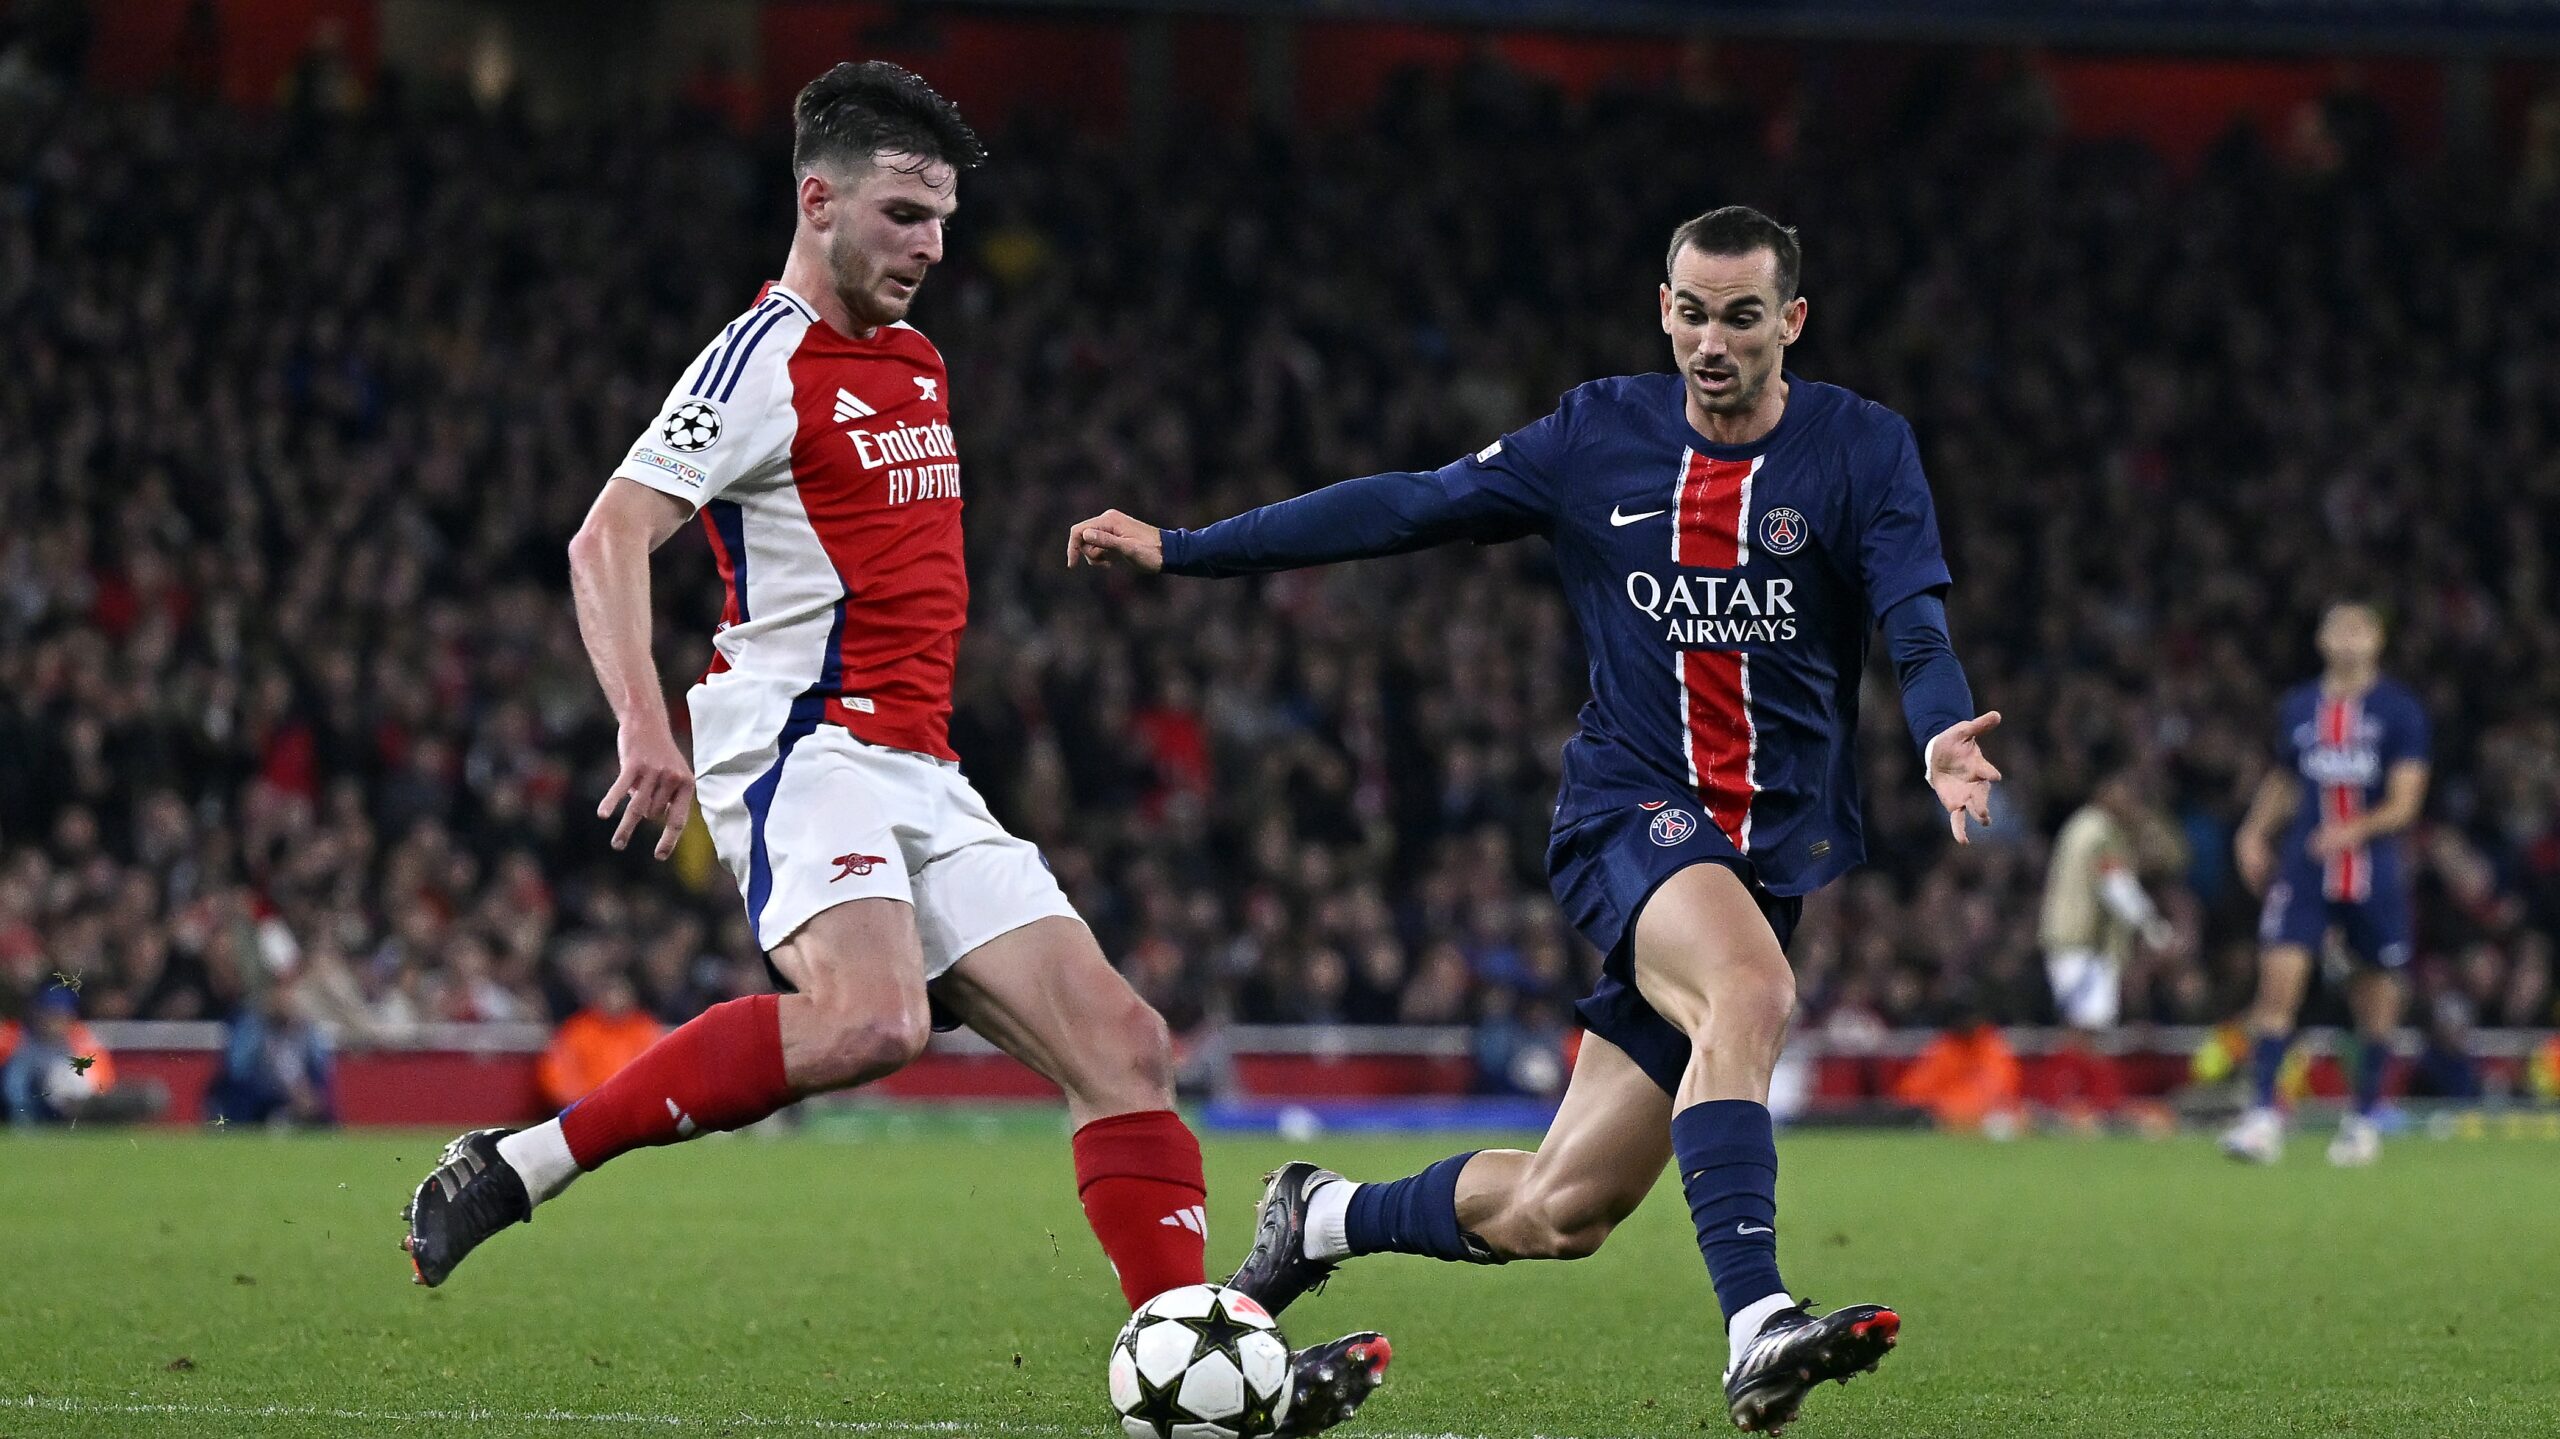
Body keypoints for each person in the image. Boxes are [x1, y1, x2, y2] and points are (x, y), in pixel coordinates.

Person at [399, 62, 1386, 1431]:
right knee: (874, 1019)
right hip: (797, 746)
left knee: (1127, 1044)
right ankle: (522, 1161)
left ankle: (1195, 1362)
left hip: (921, 761)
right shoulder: (761, 358)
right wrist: (645, 721)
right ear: (820, 201)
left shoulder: (917, 359)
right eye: (905, 214)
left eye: (942, 221)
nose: (931, 247)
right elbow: (607, 532)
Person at [1069, 205, 2002, 1434]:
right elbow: (1407, 504)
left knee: (1563, 1208)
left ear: (1792, 320)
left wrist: (1938, 728)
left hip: (1759, 848)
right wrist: (1186, 549)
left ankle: (1323, 1213)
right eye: (1688, 310)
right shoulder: (1596, 433)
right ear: (1660, 306)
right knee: (1752, 995)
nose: (1709, 339)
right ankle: (1756, 1321)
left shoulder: (1860, 449)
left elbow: (1912, 617)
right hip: (1628, 808)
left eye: (1738, 315)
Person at [2222, 602, 2430, 1168]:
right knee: (2278, 982)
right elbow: (2287, 779)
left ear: (2378, 640)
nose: (2348, 639)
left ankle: (2363, 1119)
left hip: (2372, 873)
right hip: (2305, 868)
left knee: (2376, 999)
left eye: (2359, 628)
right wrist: (2254, 832)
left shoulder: (2400, 711)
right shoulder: (2299, 707)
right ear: (2321, 639)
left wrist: (2353, 831)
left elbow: (2406, 801)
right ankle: (2263, 1117)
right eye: (2338, 627)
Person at [2037, 762, 2180, 1121]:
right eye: (2124, 792)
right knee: (2086, 1028)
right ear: (2104, 791)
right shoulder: (2098, 829)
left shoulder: (2086, 827)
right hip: (2081, 942)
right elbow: (2115, 884)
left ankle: (2078, 1102)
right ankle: (2082, 1103)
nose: (2130, 800)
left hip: (2078, 941)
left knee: (2082, 1026)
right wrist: (2152, 927)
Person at [205, 972, 336, 1127]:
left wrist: (309, 1095)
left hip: (300, 1099)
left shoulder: (307, 1031)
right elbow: (237, 1070)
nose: (284, 999)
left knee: (324, 1108)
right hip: (260, 1099)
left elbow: (321, 1070)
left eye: (288, 992)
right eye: (279, 992)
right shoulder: (250, 1025)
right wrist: (284, 1093)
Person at [536, 973, 666, 1111]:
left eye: (620, 992)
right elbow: (558, 1073)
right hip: (586, 1110)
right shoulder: (577, 1030)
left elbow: (660, 1069)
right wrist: (584, 1103)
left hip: (636, 1109)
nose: (615, 998)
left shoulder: (646, 1029)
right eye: (609, 992)